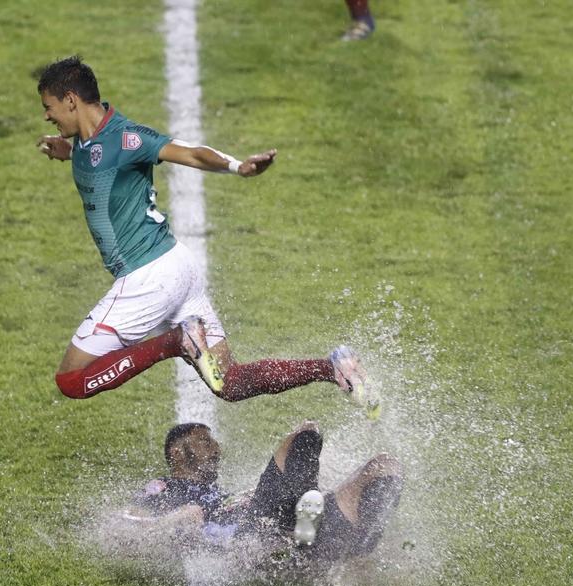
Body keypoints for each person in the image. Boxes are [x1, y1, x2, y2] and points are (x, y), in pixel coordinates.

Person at [36, 56, 375, 408]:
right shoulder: (87, 140)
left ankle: (176, 342)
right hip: (178, 267)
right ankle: (333, 367)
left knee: (72, 380)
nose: (46, 116)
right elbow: (98, 154)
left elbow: (193, 154)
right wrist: (68, 150)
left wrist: (237, 166)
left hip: (147, 278)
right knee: (230, 381)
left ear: (71, 100)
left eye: (49, 107)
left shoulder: (127, 138)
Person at [127, 421, 403, 563]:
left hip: (282, 528)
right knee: (305, 433)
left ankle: (359, 547)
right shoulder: (165, 487)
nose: (216, 449)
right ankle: (304, 524)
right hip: (250, 535)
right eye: (204, 442)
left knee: (385, 466)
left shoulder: (220, 495)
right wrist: (178, 519)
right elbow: (125, 525)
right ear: (177, 452)